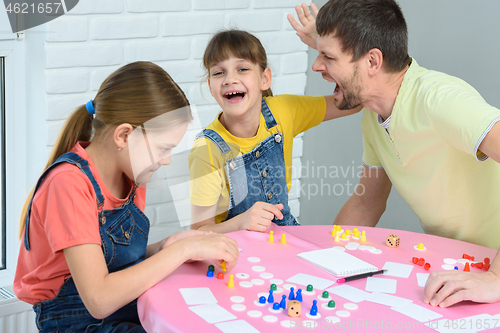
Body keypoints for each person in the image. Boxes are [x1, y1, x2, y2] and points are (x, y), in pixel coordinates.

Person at [288, 1, 500, 307]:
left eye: (328, 57)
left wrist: (496, 279)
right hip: (464, 266)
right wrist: (323, 259)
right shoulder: (374, 118)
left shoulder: (440, 99)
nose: (316, 66)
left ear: (373, 61)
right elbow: (366, 202)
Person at [14, 61, 239, 332]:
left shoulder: (133, 174)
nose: (166, 160)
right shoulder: (68, 184)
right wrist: (184, 250)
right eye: (162, 148)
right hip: (74, 319)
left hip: (119, 304)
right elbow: (99, 298)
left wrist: (166, 245)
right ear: (124, 135)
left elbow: (108, 259)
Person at [189, 29, 362, 234]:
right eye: (219, 72)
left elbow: (353, 102)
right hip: (233, 252)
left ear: (265, 79)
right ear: (211, 86)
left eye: (242, 68)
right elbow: (198, 233)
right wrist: (241, 222)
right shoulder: (206, 150)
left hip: (283, 240)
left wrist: (326, 51)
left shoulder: (283, 112)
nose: (229, 79)